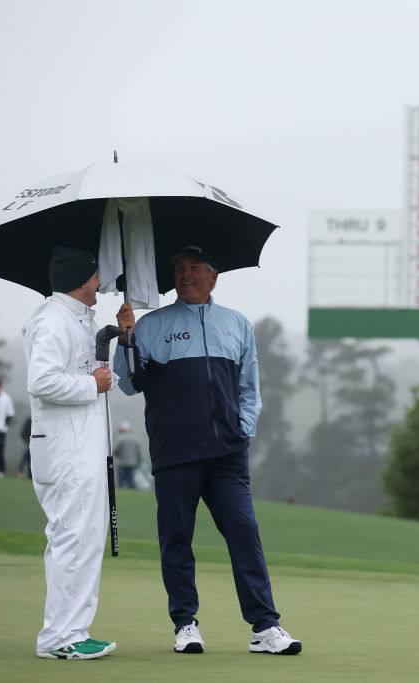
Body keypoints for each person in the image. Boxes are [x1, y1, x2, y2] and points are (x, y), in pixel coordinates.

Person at [114, 244, 301, 656]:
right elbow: (128, 383)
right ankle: (185, 623)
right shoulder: (150, 325)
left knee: (244, 532)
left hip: (226, 453)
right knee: (177, 537)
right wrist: (126, 335)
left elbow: (249, 387)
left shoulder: (237, 324)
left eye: (195, 267)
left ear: (214, 275)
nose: (186, 274)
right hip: (175, 450)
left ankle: (265, 627)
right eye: (179, 267)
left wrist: (244, 428)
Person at [22, 245, 117, 660]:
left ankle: (74, 630)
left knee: (85, 537)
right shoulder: (53, 320)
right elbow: (41, 381)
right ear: (82, 280)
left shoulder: (76, 316)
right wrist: (90, 385)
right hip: (66, 451)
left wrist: (119, 335)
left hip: (79, 447)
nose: (101, 282)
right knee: (72, 537)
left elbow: (81, 368)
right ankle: (59, 639)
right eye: (96, 275)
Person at [113, 421, 142, 489]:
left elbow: (116, 451)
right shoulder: (136, 439)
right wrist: (139, 462)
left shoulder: (120, 439)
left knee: (121, 483)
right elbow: (138, 453)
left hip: (122, 463)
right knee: (131, 482)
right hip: (132, 464)